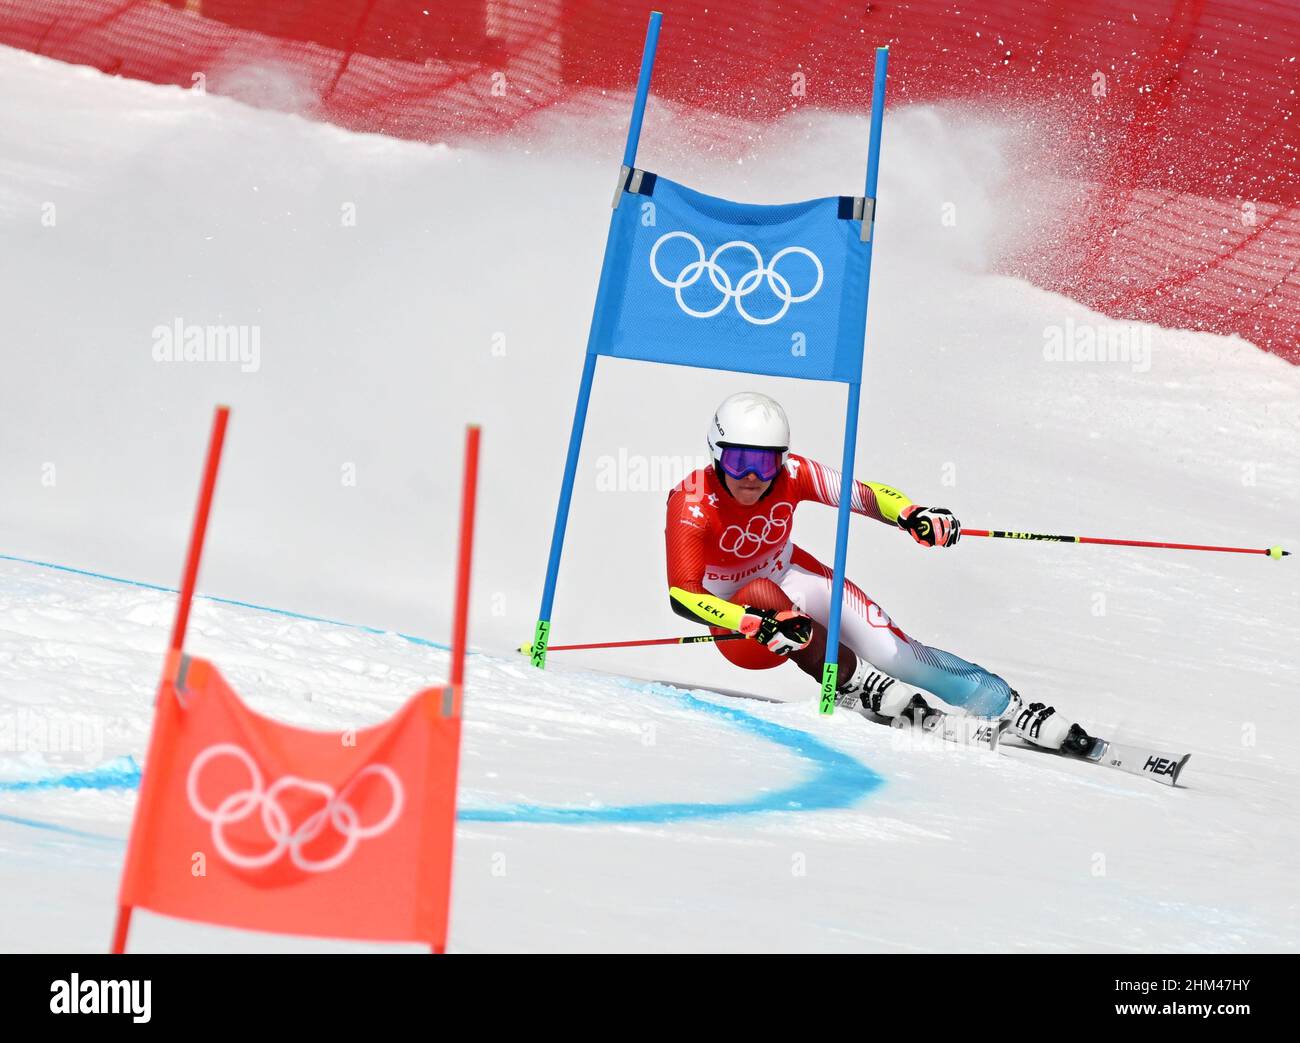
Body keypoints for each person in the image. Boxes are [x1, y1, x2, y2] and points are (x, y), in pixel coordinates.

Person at [665, 391, 1097, 754]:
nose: (755, 477)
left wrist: (912, 514)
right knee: (761, 592)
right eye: (741, 461)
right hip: (738, 625)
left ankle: (1006, 704)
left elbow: (867, 496)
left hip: (791, 575)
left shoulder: (793, 475)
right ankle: (852, 683)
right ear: (716, 453)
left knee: (897, 654)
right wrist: (748, 621)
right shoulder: (691, 501)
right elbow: (682, 596)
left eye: (768, 462)